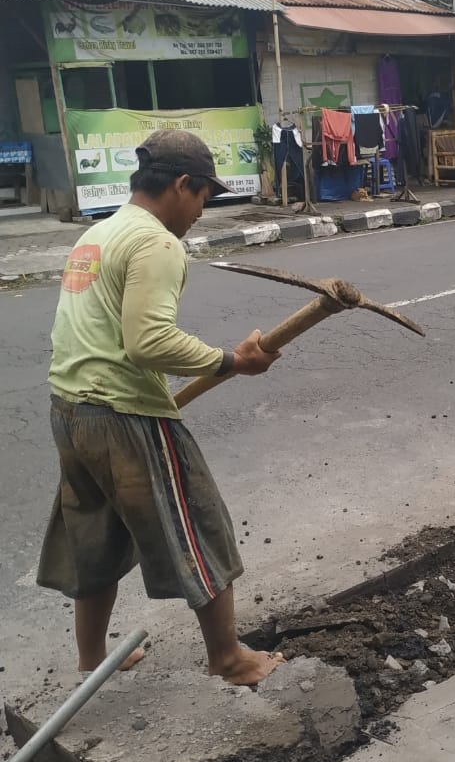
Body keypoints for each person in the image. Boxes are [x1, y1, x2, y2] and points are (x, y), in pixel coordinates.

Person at [37, 130, 285, 685]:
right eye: (202, 197)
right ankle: (230, 660)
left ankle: (93, 658)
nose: (201, 211)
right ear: (180, 185)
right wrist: (231, 361)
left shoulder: (99, 234)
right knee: (199, 527)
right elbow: (148, 342)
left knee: (95, 535)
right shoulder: (157, 243)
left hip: (70, 409)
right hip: (125, 415)